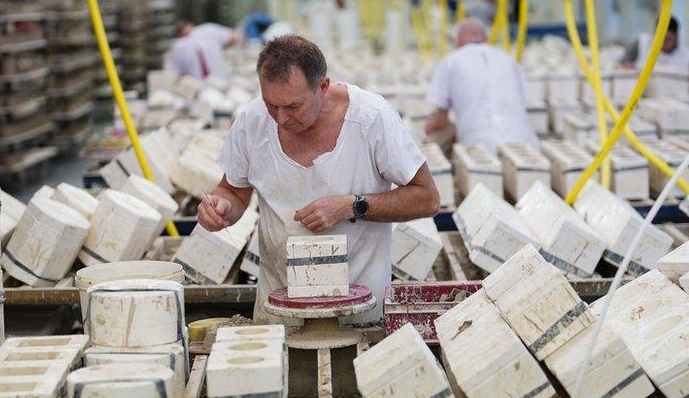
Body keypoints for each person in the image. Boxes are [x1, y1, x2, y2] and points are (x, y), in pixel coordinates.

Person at [197, 35, 440, 324]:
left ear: (323, 86)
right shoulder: (252, 120)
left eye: (293, 107)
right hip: (279, 312)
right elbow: (233, 191)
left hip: (359, 314)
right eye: (271, 105)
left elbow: (427, 198)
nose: (281, 118)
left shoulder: (370, 118)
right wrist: (220, 207)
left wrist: (353, 206)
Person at [424, 19, 539, 154]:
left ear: (458, 39)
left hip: (480, 149)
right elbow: (522, 103)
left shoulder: (450, 62)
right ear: (485, 38)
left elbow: (441, 120)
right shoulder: (508, 59)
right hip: (525, 146)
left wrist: (425, 128)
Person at [168, 21, 239, 79]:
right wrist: (221, 48)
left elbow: (176, 73)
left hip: (198, 87)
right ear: (190, 25)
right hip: (221, 81)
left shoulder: (177, 46)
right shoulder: (207, 29)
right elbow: (235, 37)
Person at [620, 16, 689, 70]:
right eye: (661, 39)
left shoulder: (687, 56)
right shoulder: (641, 44)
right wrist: (626, 66)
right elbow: (622, 63)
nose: (664, 43)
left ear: (677, 37)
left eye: (667, 40)